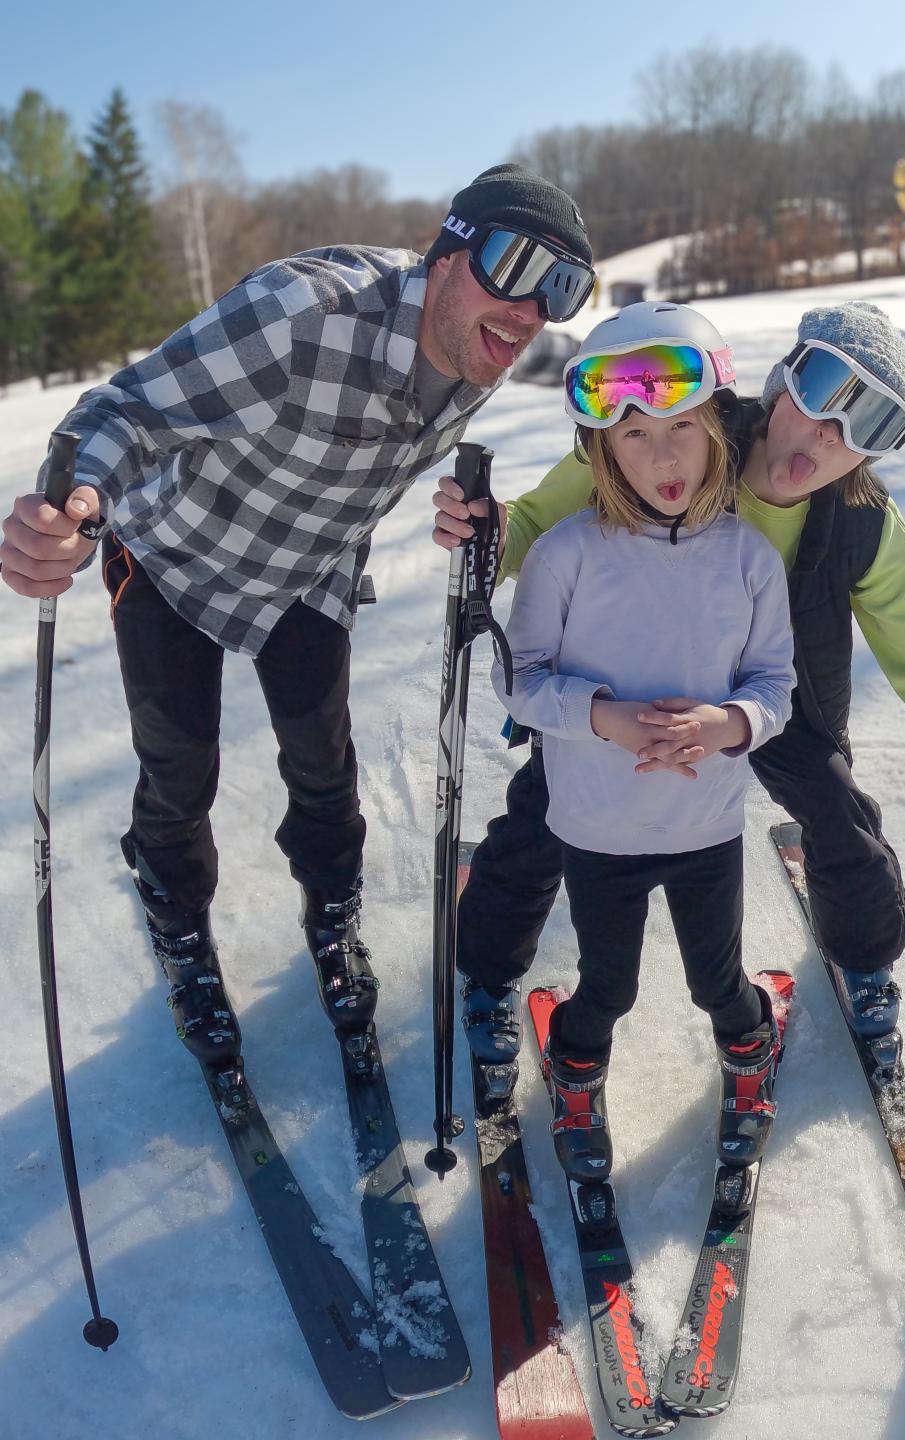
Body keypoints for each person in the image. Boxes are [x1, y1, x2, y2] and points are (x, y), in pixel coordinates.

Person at [0, 164, 595, 1073]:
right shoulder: (300, 315)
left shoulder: (483, 352)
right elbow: (126, 411)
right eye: (515, 265)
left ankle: (332, 914)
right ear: (447, 251)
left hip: (307, 571)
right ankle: (183, 934)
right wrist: (76, 505)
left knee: (325, 762)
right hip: (174, 557)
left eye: (560, 290)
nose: (528, 312)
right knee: (180, 763)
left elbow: (599, 390)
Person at [433, 300, 905, 1056]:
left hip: (770, 694)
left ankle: (863, 958)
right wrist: (487, 531)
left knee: (838, 814)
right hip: (633, 686)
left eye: (867, 424)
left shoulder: (863, 523)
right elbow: (543, 525)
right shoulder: (680, 422)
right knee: (552, 807)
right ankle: (487, 965)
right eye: (823, 392)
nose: (829, 434)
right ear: (782, 383)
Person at [483, 301, 794, 1179]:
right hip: (597, 831)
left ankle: (749, 1045)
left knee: (716, 983)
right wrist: (602, 715)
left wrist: (729, 723)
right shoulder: (567, 556)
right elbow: (519, 678)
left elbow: (776, 685)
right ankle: (575, 1065)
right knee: (608, 986)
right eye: (632, 436)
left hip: (706, 830)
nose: (661, 456)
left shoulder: (749, 560)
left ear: (720, 431)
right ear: (598, 451)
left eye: (682, 428)